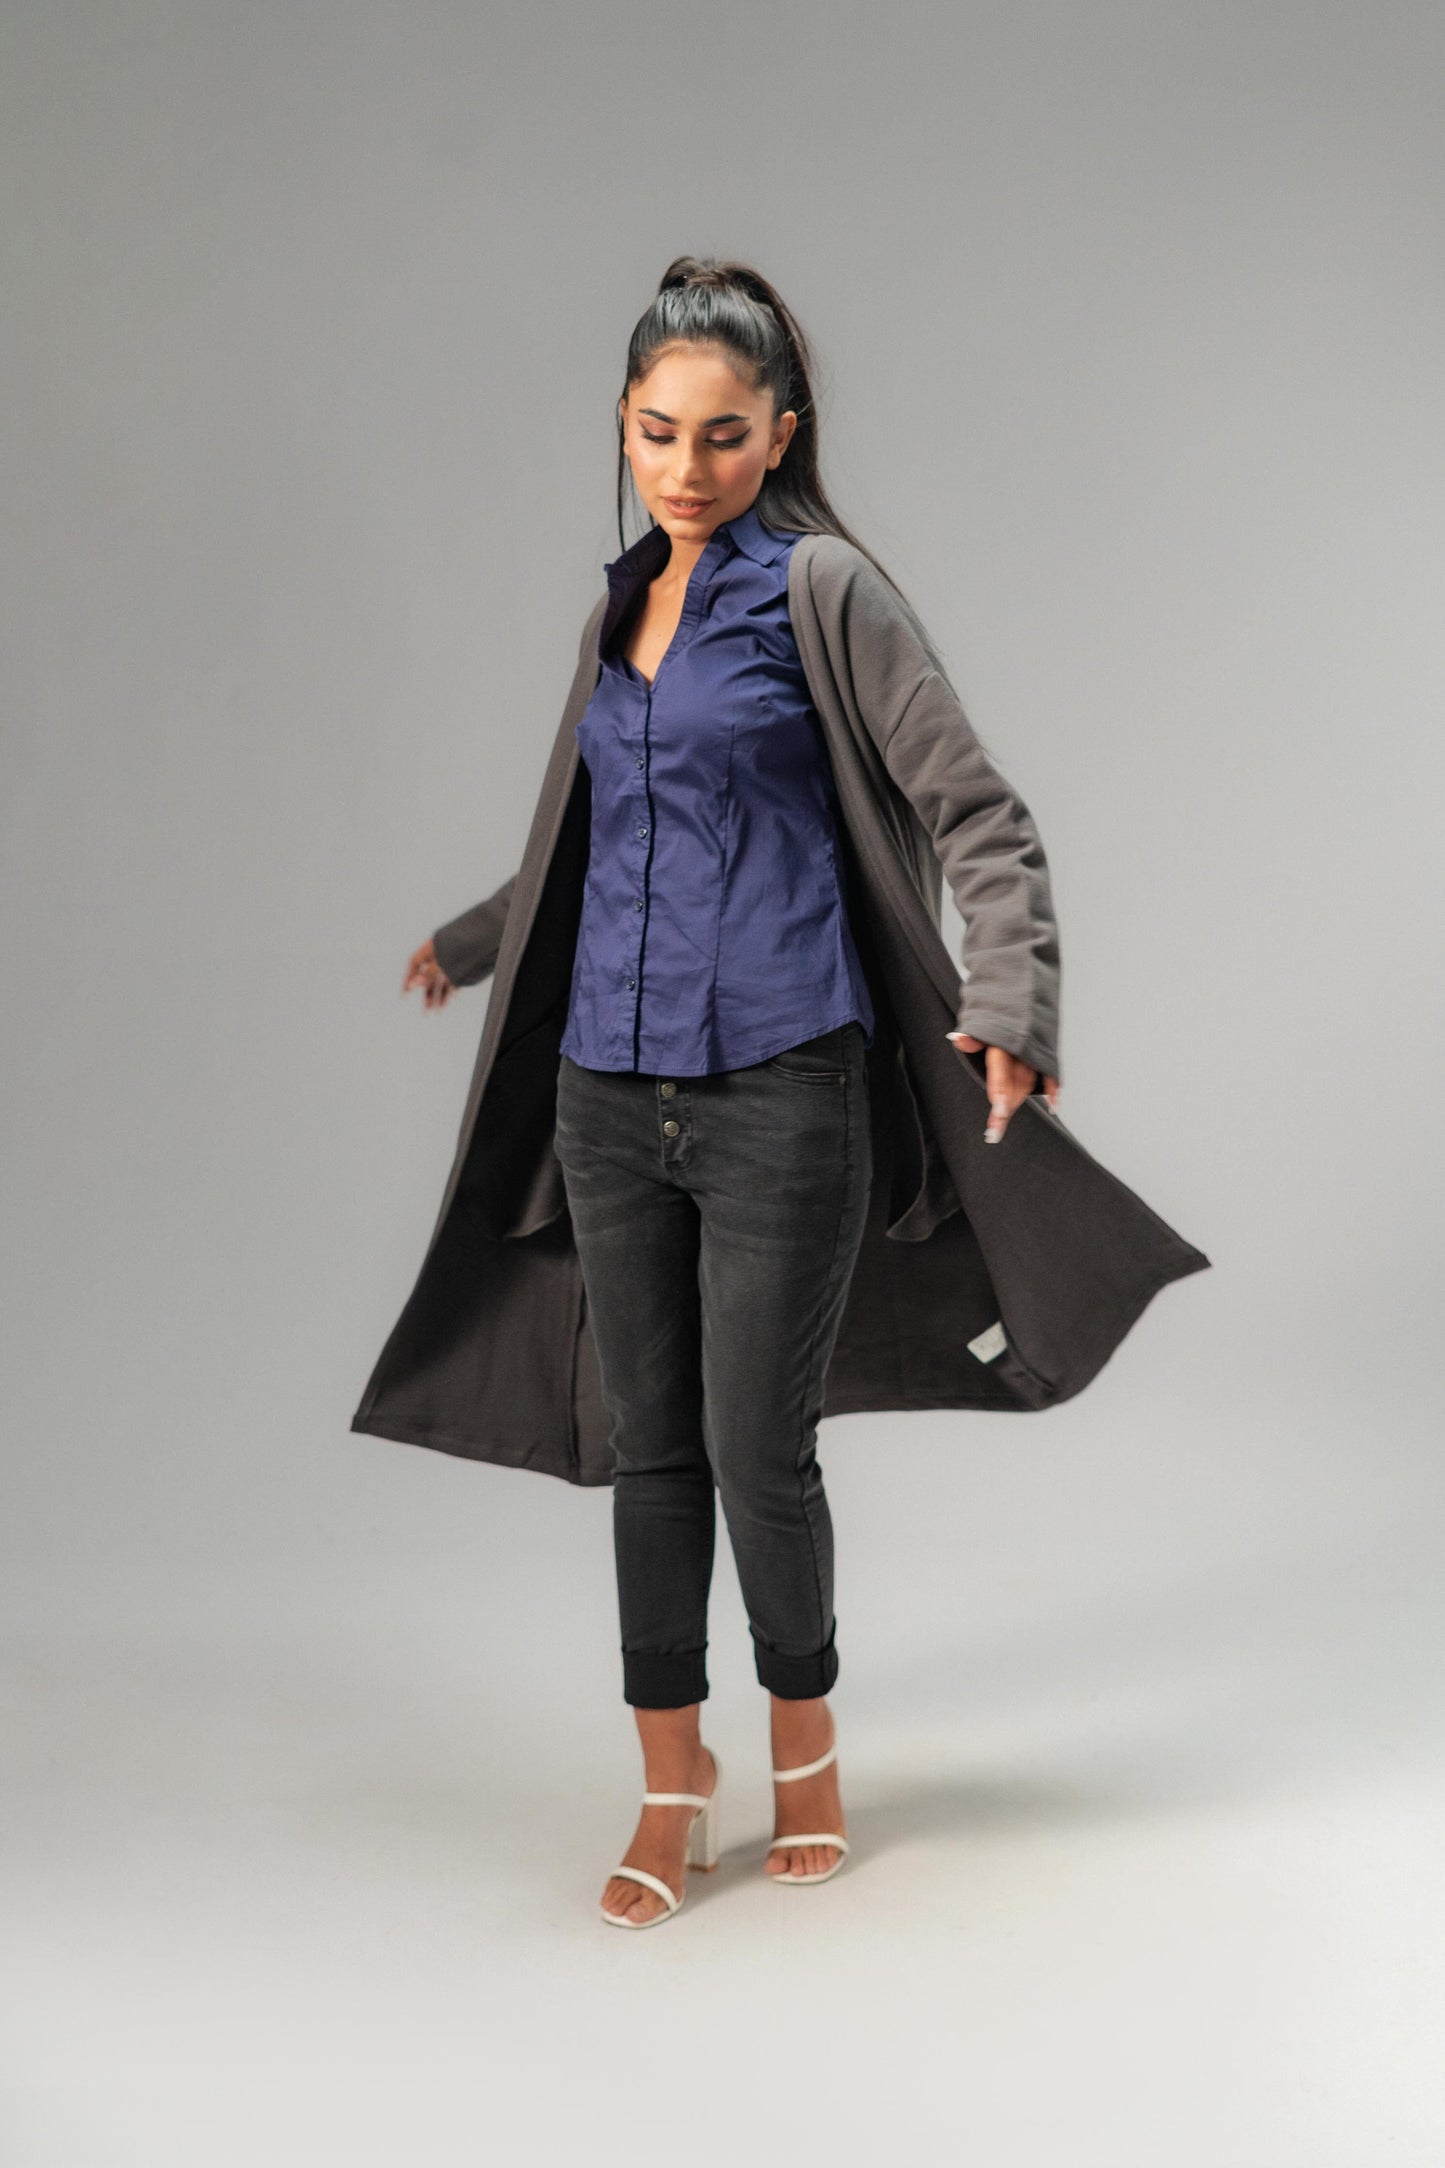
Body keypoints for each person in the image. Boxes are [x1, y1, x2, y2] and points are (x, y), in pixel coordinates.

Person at [400, 258, 1061, 1929]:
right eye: (653, 432)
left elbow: (975, 811)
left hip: (782, 1083)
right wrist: (475, 941)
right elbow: (593, 835)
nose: (683, 468)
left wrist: (1008, 997)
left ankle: (806, 1748)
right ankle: (668, 1778)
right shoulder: (618, 607)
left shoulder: (821, 591)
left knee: (757, 1445)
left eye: (719, 434)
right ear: (621, 428)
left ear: (780, 432)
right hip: (607, 1094)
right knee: (651, 1448)